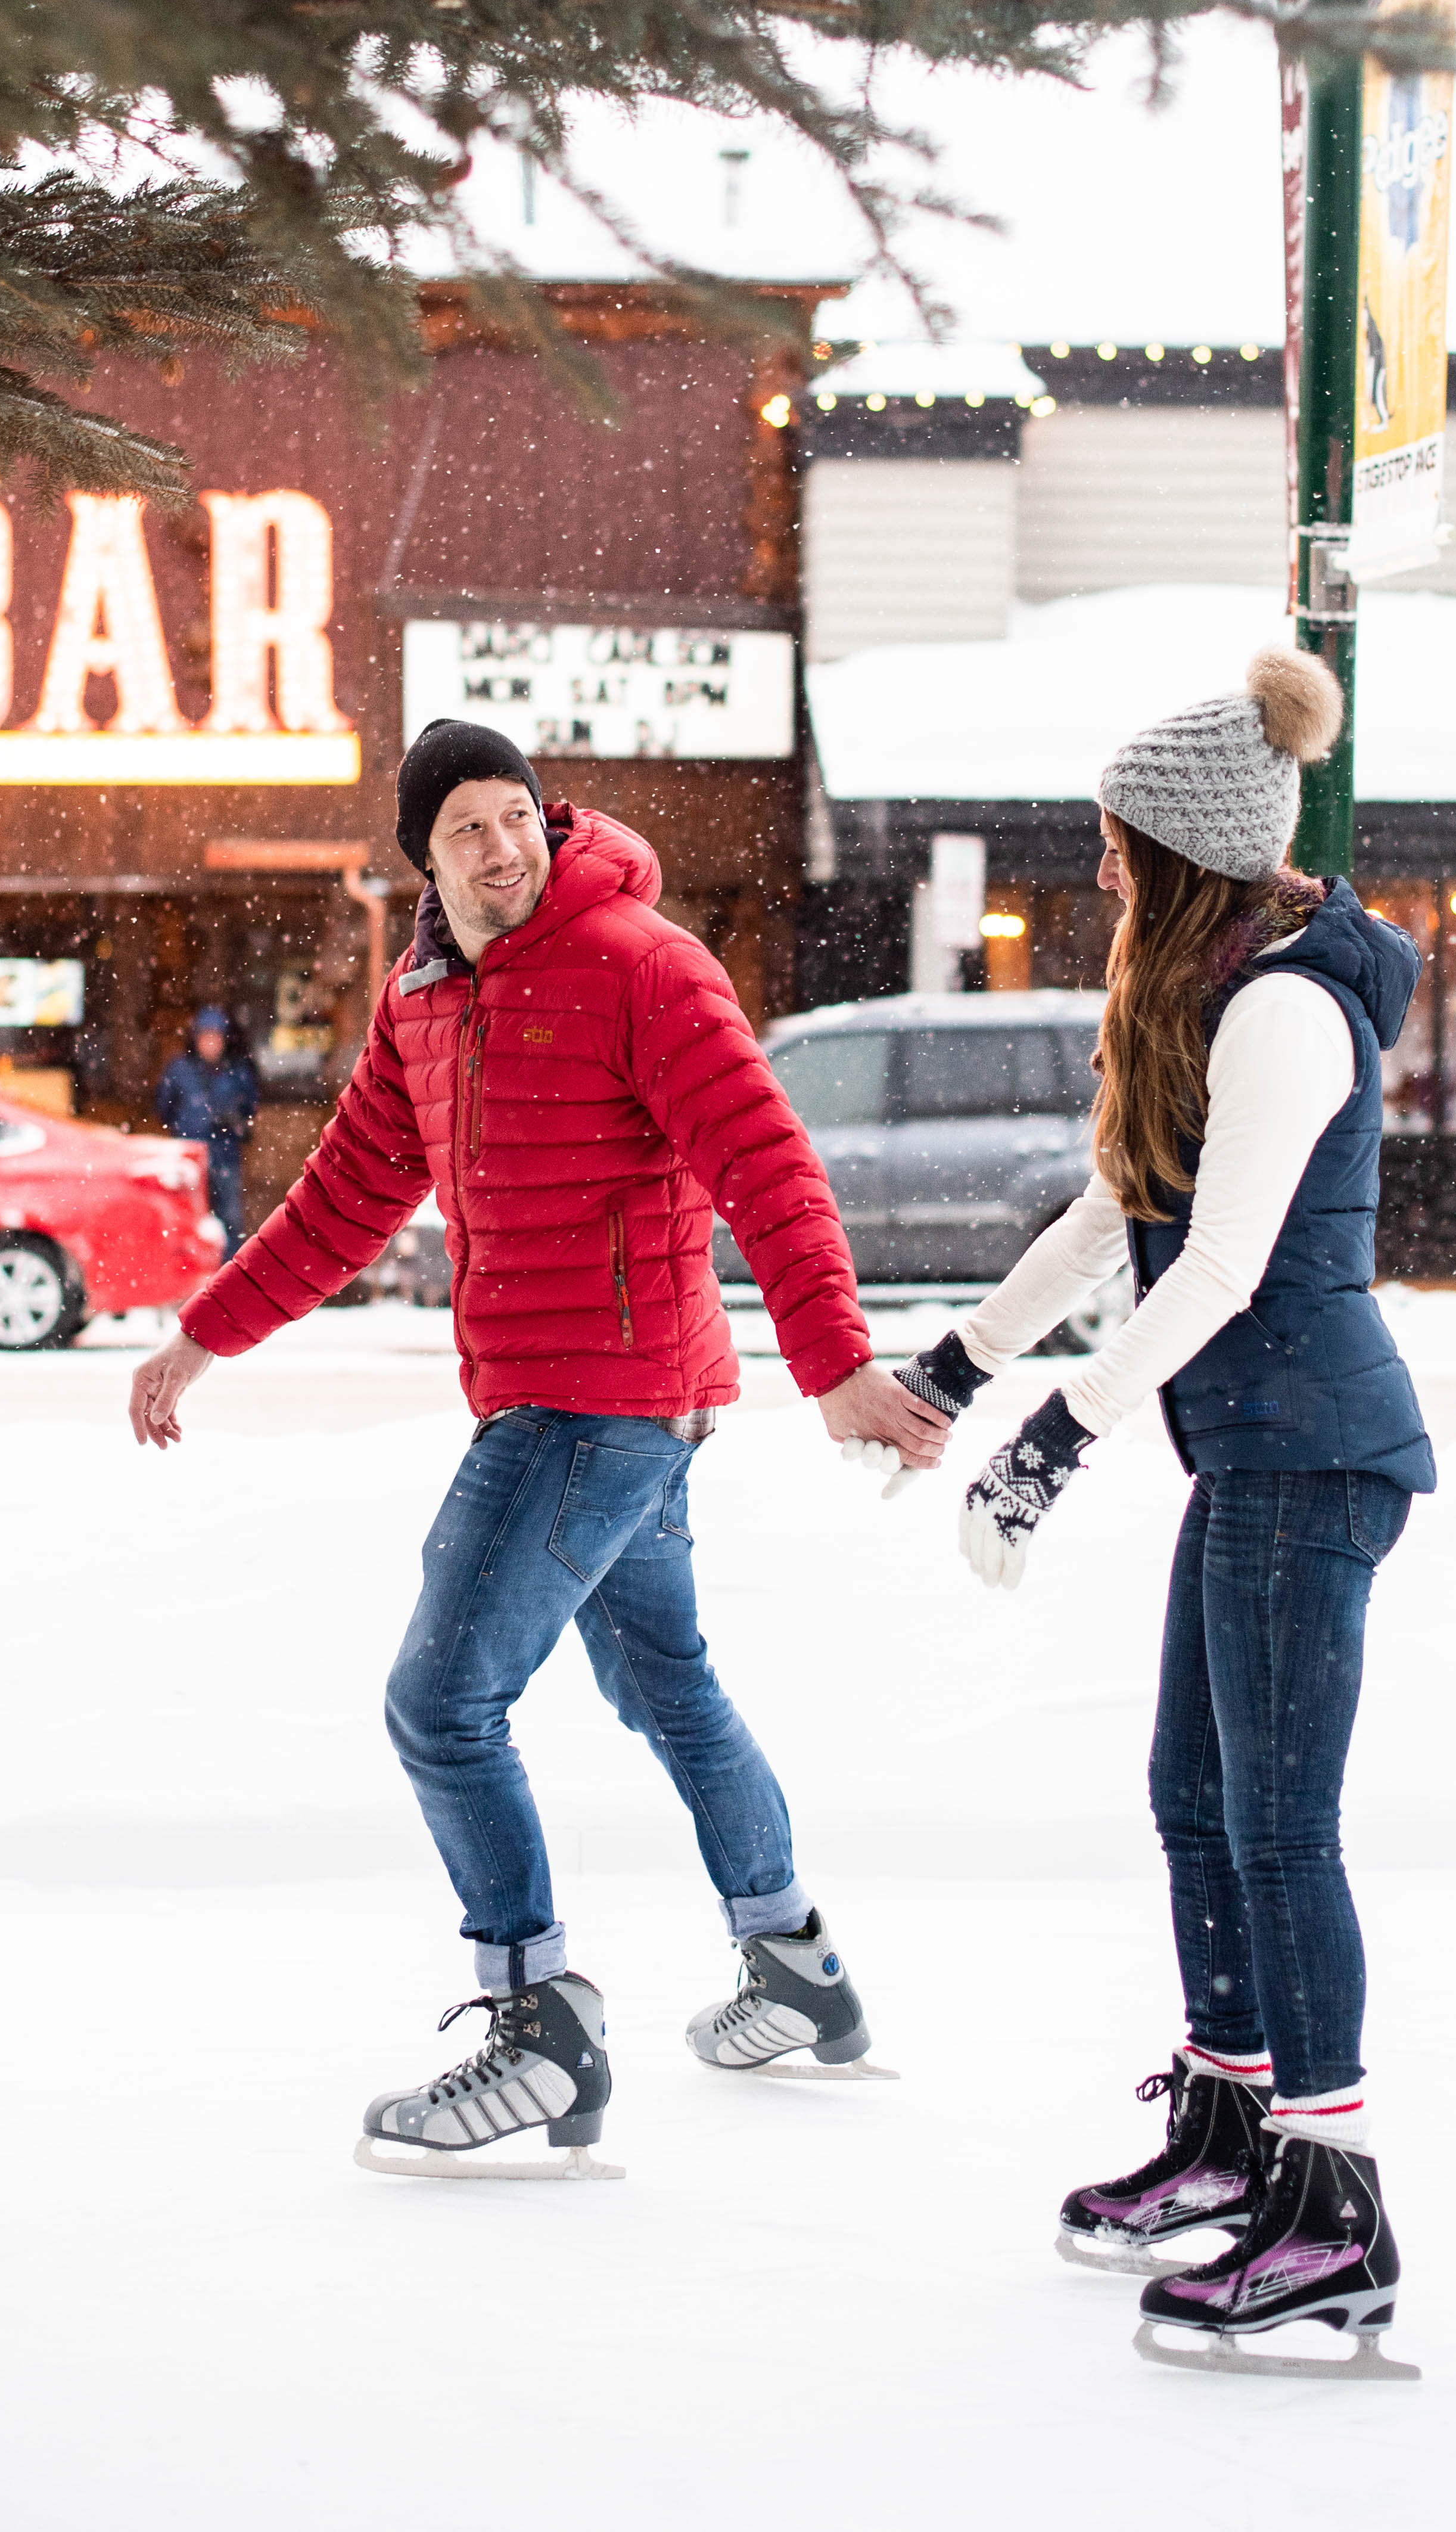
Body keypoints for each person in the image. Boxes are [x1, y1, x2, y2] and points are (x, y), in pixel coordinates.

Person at [128, 719, 945, 2167]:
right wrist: (207, 1331)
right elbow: (343, 1199)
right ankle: (796, 1965)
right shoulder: (424, 1001)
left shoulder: (639, 960)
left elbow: (765, 1159)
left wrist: (830, 1360)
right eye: (465, 830)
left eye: (514, 816)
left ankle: (540, 2027)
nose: (500, 847)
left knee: (441, 1701)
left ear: (544, 821)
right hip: (596, 1392)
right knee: (664, 1684)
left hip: (601, 1395)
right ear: (425, 862)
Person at [854, 648, 1435, 2372]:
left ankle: (1329, 2204)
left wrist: (1059, 1430)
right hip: (1251, 1455)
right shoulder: (1209, 987)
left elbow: (1229, 1264)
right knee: (1195, 1795)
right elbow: (1113, 1214)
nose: (1094, 866)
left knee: (1276, 1826)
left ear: (1178, 849)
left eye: (1112, 841)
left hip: (1309, 1449)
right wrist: (958, 1365)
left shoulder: (1279, 1008)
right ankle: (1229, 2124)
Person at [155, 1008, 261, 1258]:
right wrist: (185, 1130)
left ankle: (229, 1276)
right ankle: (190, 1275)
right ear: (196, 1039)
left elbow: (250, 1107)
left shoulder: (237, 1071)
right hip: (190, 1158)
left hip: (226, 1156)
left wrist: (233, 1120)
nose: (211, 1044)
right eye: (206, 1037)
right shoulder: (179, 1070)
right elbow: (164, 1107)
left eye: (217, 1038)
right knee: (187, 1218)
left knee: (230, 1219)